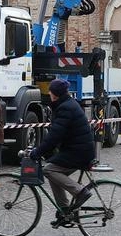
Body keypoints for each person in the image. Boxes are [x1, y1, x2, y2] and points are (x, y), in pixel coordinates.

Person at [29, 79, 95, 228]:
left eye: (51, 91)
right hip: (77, 149)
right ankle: (65, 212)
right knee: (54, 170)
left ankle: (80, 192)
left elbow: (54, 136)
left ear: (55, 94)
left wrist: (38, 152)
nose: (49, 93)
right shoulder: (67, 104)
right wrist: (47, 153)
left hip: (79, 152)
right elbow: (59, 135)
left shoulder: (65, 108)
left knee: (48, 169)